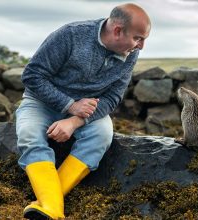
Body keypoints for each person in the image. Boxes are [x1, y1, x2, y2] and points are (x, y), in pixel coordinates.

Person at [15, 3, 151, 219]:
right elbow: (32, 76)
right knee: (29, 135)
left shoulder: (129, 52)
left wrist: (74, 120)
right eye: (138, 38)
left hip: (86, 111)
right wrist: (70, 105)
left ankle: (49, 204)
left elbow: (113, 98)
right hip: (40, 102)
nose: (141, 46)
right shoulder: (70, 35)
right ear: (117, 31)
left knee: (102, 135)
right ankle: (54, 208)